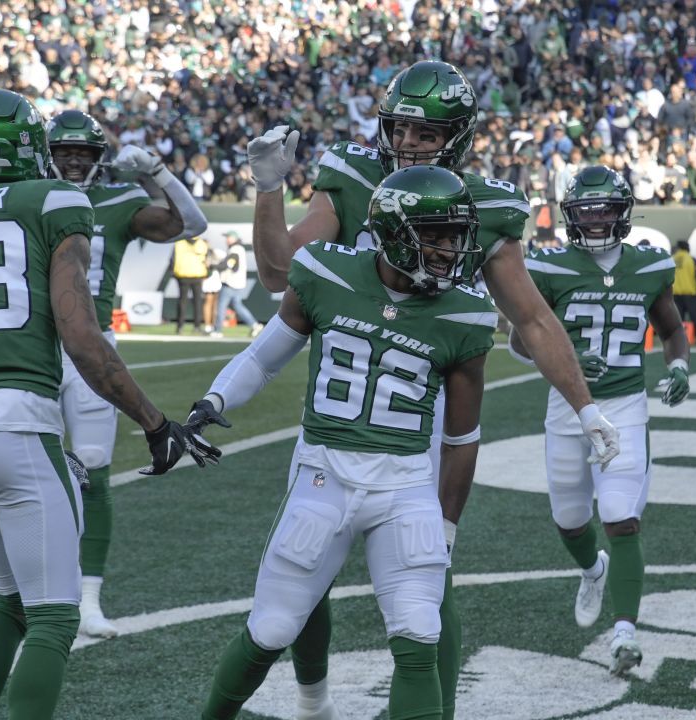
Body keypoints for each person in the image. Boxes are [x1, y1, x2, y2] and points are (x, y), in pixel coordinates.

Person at [243, 60, 619, 720]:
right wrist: (268, 189)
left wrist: (585, 406)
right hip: (340, 405)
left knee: (431, 585)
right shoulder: (354, 178)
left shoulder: (483, 205)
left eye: (424, 133)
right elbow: (278, 273)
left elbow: (532, 316)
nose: (408, 144)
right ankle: (313, 702)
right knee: (307, 577)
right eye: (400, 129)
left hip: (425, 415)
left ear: (457, 135)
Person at [0, 88, 217, 720]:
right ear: (29, 146)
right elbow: (83, 338)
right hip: (16, 424)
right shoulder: (55, 199)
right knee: (53, 617)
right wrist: (154, 421)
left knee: (9, 600)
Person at [194, 167, 496, 720]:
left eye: (456, 236)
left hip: (405, 485)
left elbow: (461, 437)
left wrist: (446, 526)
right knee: (271, 629)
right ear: (395, 232)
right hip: (325, 474)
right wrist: (214, 402)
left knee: (418, 635)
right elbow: (265, 357)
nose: (451, 249)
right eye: (436, 235)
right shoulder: (323, 271)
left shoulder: (466, 314)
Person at [508, 165, 691, 679]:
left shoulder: (651, 266)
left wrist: (678, 366)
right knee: (570, 520)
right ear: (570, 215)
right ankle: (593, 570)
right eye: (584, 211)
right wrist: (563, 356)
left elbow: (672, 329)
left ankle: (625, 633)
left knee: (619, 514)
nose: (593, 220)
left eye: (603, 209)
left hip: (627, 408)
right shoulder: (548, 266)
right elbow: (521, 341)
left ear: (622, 211)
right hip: (568, 408)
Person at [46, 108, 209, 638]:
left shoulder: (116, 201)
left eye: (83, 151)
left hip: (94, 346)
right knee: (30, 472)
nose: (73, 160)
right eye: (64, 150)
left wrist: (156, 172)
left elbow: (193, 224)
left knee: (93, 464)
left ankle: (88, 598)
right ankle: (44, 594)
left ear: (99, 158)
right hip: (36, 346)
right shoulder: (30, 195)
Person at [215, 231, 263, 338]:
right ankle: (254, 324)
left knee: (221, 306)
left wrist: (214, 266)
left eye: (228, 237)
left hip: (230, 282)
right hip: (238, 283)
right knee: (237, 305)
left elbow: (230, 265)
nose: (226, 239)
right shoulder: (238, 248)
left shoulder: (235, 249)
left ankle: (217, 330)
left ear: (233, 238)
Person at [671, 239, 696, 345]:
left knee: (677, 319)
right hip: (690, 293)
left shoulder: (672, 259)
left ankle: (677, 341)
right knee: (695, 317)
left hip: (676, 294)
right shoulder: (692, 260)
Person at [172, 236, 210, 334]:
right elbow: (207, 260)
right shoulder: (202, 243)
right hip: (198, 275)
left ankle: (180, 327)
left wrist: (174, 273)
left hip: (183, 275)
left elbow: (172, 260)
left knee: (182, 302)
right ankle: (197, 326)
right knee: (197, 302)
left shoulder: (179, 243)